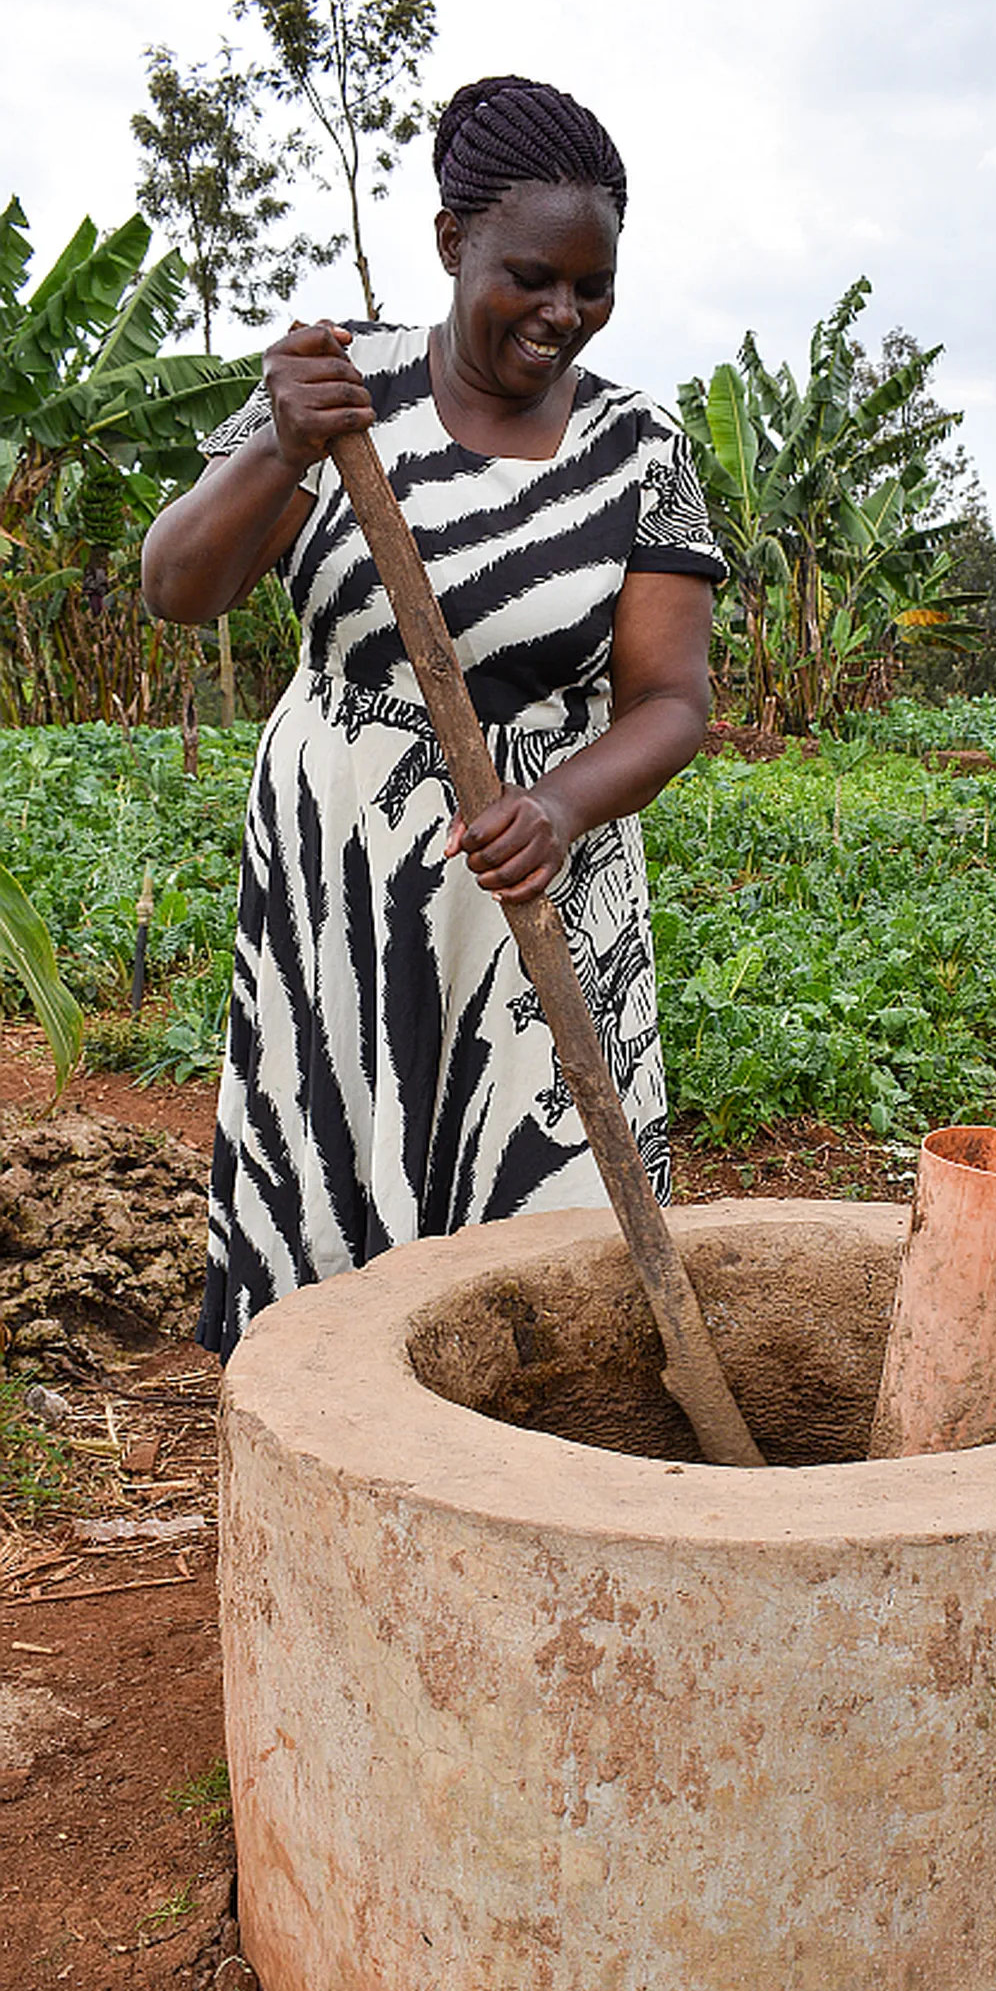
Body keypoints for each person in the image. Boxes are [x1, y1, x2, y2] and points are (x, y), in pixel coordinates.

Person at [141, 74, 726, 1362]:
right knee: (338, 1171)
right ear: (453, 242)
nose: (561, 314)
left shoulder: (639, 448)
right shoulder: (335, 391)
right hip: (341, 855)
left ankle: (546, 1480)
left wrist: (564, 805)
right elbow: (178, 584)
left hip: (543, 863)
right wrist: (275, 449)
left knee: (554, 1213)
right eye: (531, 275)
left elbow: (671, 701)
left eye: (592, 287)